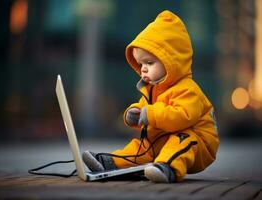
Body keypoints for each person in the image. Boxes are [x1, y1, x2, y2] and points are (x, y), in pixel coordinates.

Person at [82, 10, 219, 183]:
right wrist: (133, 114)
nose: (143, 69)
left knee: (182, 140)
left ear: (171, 61)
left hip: (198, 142)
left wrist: (149, 114)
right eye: (140, 64)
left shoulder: (188, 89)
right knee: (141, 148)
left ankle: (168, 167)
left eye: (149, 62)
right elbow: (145, 111)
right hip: (161, 140)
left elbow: (182, 117)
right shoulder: (151, 90)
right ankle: (109, 162)